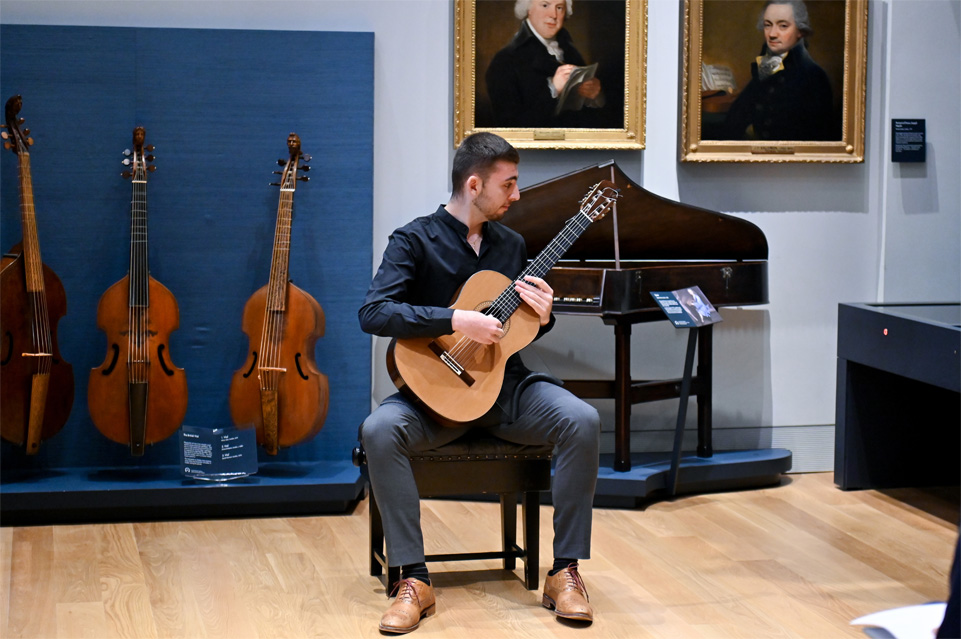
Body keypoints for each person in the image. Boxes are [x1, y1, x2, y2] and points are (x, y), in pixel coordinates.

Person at [358, 132, 601, 634]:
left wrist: (544, 313)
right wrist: (454, 320)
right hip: (435, 401)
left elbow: (515, 328)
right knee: (379, 431)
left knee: (583, 419)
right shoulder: (413, 240)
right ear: (474, 185)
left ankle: (565, 572)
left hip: (506, 391)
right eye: (508, 184)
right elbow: (373, 312)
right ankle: (413, 579)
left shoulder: (511, 244)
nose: (516, 195)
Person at [718, 0, 838, 141]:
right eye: (768, 25)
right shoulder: (766, 67)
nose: (772, 34)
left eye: (783, 26)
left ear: (800, 31)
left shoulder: (815, 78)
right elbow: (735, 121)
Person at [484, 0, 605, 128]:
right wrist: (553, 88)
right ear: (528, 9)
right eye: (545, 5)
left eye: (559, 8)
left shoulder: (570, 50)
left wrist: (594, 96)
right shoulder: (505, 60)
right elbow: (510, 127)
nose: (553, 15)